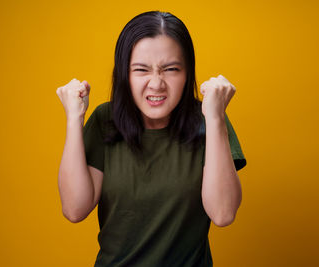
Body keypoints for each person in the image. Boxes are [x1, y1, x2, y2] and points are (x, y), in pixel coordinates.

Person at [56, 10, 247, 267]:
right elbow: (74, 209)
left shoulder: (208, 120)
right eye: (141, 70)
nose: (156, 84)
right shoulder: (105, 120)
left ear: (187, 73)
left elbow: (223, 213)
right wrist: (73, 119)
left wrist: (215, 119)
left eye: (170, 69)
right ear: (124, 73)